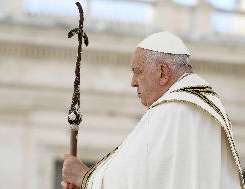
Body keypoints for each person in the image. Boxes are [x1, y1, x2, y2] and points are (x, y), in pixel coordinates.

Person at [62, 31, 245, 189]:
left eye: (138, 71)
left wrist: (85, 177)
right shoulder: (208, 107)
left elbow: (134, 176)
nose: (133, 82)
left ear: (163, 72)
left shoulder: (173, 110)